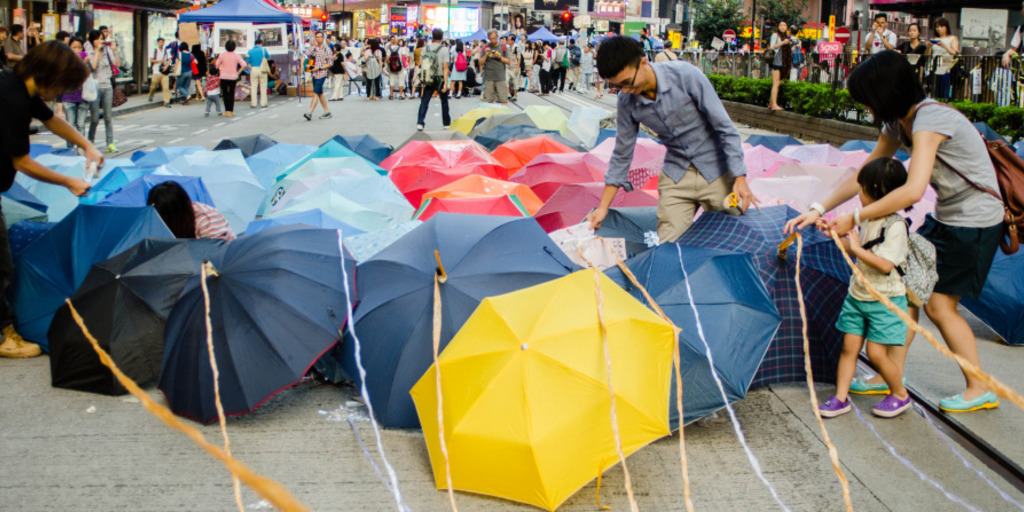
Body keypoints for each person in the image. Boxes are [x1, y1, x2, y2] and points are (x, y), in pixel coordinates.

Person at [785, 51, 1004, 413]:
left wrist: (853, 218)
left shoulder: (929, 119)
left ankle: (979, 386)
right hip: (948, 216)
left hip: (976, 220)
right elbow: (864, 175)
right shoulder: (897, 123)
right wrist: (818, 209)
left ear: (884, 93)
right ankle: (891, 375)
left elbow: (912, 190)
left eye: (868, 99)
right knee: (906, 292)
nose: (867, 107)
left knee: (939, 304)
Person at [587, 36, 757, 244]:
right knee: (668, 247)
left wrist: (739, 178)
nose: (624, 91)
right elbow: (622, 153)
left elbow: (725, 128)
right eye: (616, 87)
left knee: (733, 240)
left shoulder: (685, 76)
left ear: (643, 62)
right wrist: (603, 207)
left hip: (719, 175)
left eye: (627, 83)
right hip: (676, 176)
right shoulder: (627, 101)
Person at [0, 41, 98, 357]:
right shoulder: (12, 100)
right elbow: (22, 162)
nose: (63, 94)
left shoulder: (17, 85)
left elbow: (53, 121)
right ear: (50, 75)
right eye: (64, 86)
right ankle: (4, 336)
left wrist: (88, 146)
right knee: (1, 264)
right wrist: (69, 181)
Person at [818, 158, 912, 419]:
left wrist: (857, 249)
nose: (858, 195)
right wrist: (836, 236)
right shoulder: (868, 220)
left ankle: (900, 394)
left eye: (861, 189)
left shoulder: (895, 226)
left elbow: (884, 264)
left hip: (885, 301)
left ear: (876, 189)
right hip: (858, 295)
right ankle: (840, 397)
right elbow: (859, 250)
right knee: (849, 348)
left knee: (876, 353)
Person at [148, 181, 235, 241]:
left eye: (160, 215)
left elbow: (217, 256)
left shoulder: (206, 219)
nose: (157, 220)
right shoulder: (162, 226)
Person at [88, 30, 120, 153]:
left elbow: (117, 64)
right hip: (95, 87)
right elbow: (93, 67)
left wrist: (114, 51)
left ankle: (110, 143)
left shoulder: (107, 52)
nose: (100, 41)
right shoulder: (90, 53)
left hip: (107, 86)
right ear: (92, 41)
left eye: (101, 38)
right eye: (97, 39)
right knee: (95, 118)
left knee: (108, 117)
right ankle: (90, 142)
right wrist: (97, 52)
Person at [415, 28, 450, 131]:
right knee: (444, 101)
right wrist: (445, 83)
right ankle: (446, 123)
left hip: (428, 76)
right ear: (442, 37)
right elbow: (445, 67)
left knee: (425, 100)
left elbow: (420, 63)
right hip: (439, 77)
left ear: (432, 36)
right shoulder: (444, 50)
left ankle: (420, 122)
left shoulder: (425, 48)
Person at [59, 37, 89, 150]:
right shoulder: (64, 59)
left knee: (81, 125)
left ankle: (81, 149)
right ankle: (69, 150)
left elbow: (89, 75)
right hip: (68, 96)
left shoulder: (87, 59)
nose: (77, 50)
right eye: (74, 47)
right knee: (70, 125)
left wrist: (84, 63)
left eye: (79, 47)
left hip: (83, 96)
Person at [303, 32, 333, 120]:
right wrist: (302, 64)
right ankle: (327, 111)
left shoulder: (327, 50)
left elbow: (330, 63)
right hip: (314, 74)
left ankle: (310, 112)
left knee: (315, 93)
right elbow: (305, 55)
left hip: (322, 74)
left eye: (320, 37)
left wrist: (319, 68)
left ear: (323, 38)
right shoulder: (313, 49)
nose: (318, 38)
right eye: (317, 37)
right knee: (320, 94)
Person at [929, 18, 959, 100]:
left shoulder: (952, 38)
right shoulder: (934, 38)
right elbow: (928, 54)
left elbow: (955, 52)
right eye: (937, 27)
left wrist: (944, 46)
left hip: (946, 67)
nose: (939, 29)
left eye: (941, 26)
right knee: (934, 91)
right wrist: (929, 46)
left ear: (946, 27)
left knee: (944, 91)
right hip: (934, 66)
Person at [215, 40, 246, 117]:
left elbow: (216, 65)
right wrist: (238, 72)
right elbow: (244, 64)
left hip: (224, 76)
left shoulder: (222, 55)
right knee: (232, 93)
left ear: (225, 47)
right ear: (234, 47)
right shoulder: (237, 56)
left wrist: (220, 68)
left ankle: (227, 111)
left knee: (225, 93)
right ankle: (231, 110)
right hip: (233, 76)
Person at [480, 30, 511, 105]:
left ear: (497, 37)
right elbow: (480, 62)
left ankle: (505, 116)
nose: (492, 40)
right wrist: (485, 55)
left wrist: (499, 57)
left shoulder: (504, 47)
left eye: (494, 38)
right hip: (488, 78)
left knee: (504, 100)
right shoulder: (485, 48)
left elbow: (508, 61)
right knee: (488, 102)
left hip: (500, 77)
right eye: (490, 39)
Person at [768, 21, 792, 111]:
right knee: (776, 83)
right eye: (781, 25)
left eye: (784, 25)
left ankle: (771, 103)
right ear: (778, 27)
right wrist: (783, 42)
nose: (783, 27)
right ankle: (774, 104)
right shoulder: (776, 35)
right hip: (775, 62)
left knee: (777, 83)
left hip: (781, 62)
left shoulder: (786, 37)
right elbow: (772, 46)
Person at [247, 36, 271, 108]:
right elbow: (268, 57)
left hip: (253, 69)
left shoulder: (250, 51)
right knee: (263, 86)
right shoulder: (264, 50)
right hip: (262, 69)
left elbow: (248, 61)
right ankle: (263, 103)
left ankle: (253, 103)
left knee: (254, 86)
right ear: (261, 43)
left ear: (255, 44)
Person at [148, 37, 172, 107]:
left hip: (164, 72)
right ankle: (151, 95)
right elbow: (151, 60)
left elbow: (169, 59)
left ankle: (166, 101)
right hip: (156, 71)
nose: (161, 44)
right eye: (160, 42)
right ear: (158, 43)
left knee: (165, 88)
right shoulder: (154, 50)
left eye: (162, 42)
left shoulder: (166, 51)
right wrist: (159, 61)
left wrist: (166, 66)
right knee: (153, 86)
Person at [506, 38, 520, 102]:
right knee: (506, 80)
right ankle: (508, 94)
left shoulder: (516, 48)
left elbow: (519, 59)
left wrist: (517, 68)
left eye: (509, 40)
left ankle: (515, 95)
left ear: (512, 41)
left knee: (515, 82)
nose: (507, 41)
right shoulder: (507, 48)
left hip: (514, 68)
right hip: (508, 67)